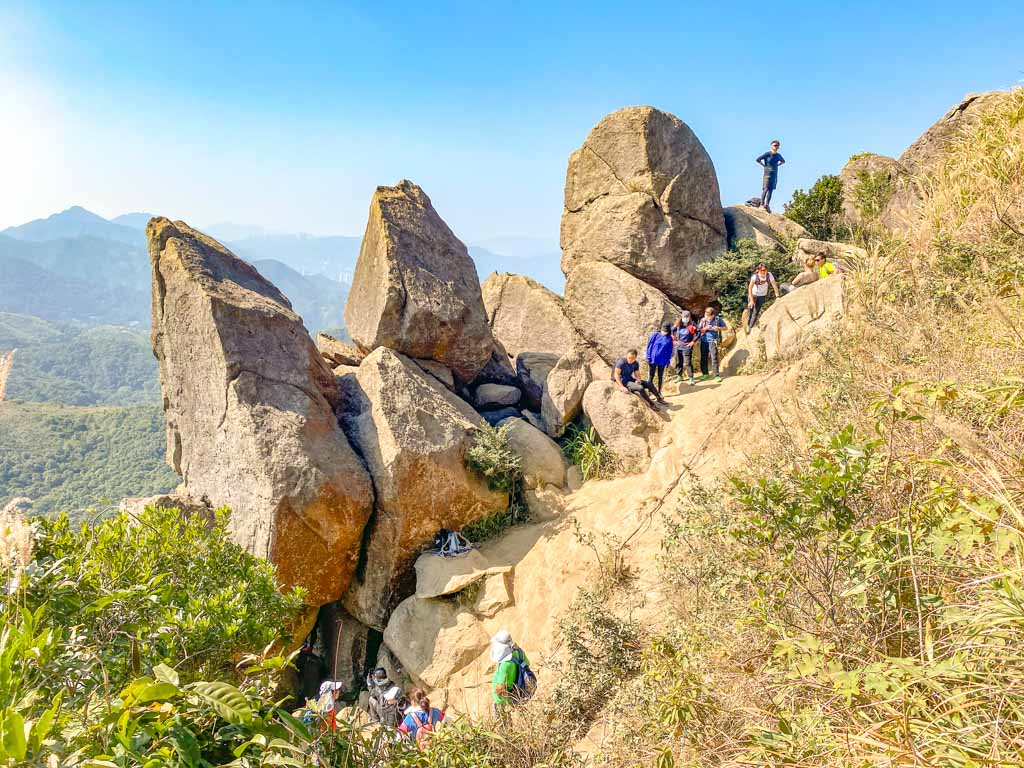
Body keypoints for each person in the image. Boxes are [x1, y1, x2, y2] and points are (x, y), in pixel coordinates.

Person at [490, 630, 536, 721]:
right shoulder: (518, 652)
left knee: (502, 724)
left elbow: (500, 690)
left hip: (503, 701)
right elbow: (527, 663)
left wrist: (510, 701)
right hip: (517, 691)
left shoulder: (505, 665)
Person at [697, 307, 729, 382]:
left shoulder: (718, 319)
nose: (708, 318)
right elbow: (699, 330)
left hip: (713, 341)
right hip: (704, 341)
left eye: (709, 317)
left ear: (713, 315)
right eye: (706, 315)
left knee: (714, 357)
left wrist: (718, 328)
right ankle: (705, 373)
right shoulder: (703, 320)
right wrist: (705, 328)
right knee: (703, 357)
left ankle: (716, 375)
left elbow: (725, 328)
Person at [747, 263, 780, 330]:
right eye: (761, 270)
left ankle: (750, 327)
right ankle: (748, 323)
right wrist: (751, 300)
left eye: (764, 270)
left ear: (766, 270)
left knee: (756, 312)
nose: (763, 272)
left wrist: (777, 296)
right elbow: (750, 288)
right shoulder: (755, 277)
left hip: (762, 295)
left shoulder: (769, 275)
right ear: (758, 270)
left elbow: (774, 285)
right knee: (750, 309)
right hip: (753, 294)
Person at [756, 140, 786, 212]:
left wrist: (777, 165)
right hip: (767, 174)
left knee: (771, 190)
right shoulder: (767, 154)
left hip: (774, 174)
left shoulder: (778, 155)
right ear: (771, 146)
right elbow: (758, 159)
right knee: (765, 188)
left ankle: (767, 205)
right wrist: (764, 166)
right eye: (774, 145)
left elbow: (783, 161)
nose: (776, 147)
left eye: (777, 145)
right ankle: (762, 204)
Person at [645, 322, 675, 393]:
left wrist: (668, 360)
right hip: (653, 359)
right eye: (663, 330)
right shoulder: (655, 335)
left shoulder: (669, 339)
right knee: (651, 376)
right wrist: (648, 356)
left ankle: (659, 392)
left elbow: (669, 350)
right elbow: (649, 346)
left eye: (666, 331)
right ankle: (649, 391)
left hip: (662, 360)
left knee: (660, 376)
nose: (664, 332)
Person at [673, 312, 698, 385]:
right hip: (678, 345)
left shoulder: (692, 324)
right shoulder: (678, 323)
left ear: (689, 317)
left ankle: (691, 378)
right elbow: (672, 330)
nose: (685, 318)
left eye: (687, 317)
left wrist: (693, 341)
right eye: (684, 317)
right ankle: (679, 376)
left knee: (688, 362)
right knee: (678, 361)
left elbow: (698, 333)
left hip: (687, 346)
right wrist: (674, 340)